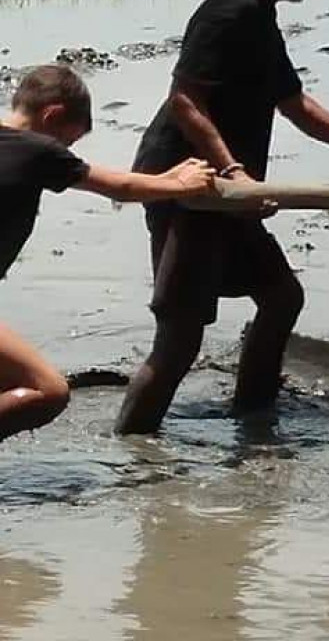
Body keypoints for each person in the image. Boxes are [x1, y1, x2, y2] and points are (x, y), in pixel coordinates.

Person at [117, 0, 329, 435]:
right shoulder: (229, 9)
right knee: (181, 337)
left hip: (232, 192)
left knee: (282, 297)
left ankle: (254, 413)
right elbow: (184, 99)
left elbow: (293, 103)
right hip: (190, 188)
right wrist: (231, 171)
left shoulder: (260, 12)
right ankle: (134, 450)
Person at [0, 64, 215, 443]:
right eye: (68, 143)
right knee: (48, 390)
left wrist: (168, 179)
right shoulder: (38, 151)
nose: (66, 154)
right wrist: (181, 184)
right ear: (52, 115)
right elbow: (119, 186)